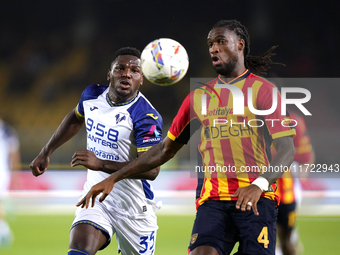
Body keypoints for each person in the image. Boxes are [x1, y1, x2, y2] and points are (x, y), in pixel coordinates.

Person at [76, 20, 296, 255]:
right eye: (211, 43)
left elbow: (286, 149)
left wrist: (258, 185)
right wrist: (115, 176)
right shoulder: (199, 97)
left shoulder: (264, 91)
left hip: (257, 201)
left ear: (240, 45)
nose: (213, 48)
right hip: (213, 202)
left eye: (221, 42)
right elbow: (162, 151)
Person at [30, 47, 163, 255]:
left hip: (134, 208)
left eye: (135, 70)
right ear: (110, 74)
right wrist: (46, 151)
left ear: (141, 79)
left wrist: (100, 164)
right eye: (120, 68)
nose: (127, 73)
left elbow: (152, 170)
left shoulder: (146, 116)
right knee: (79, 250)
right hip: (95, 198)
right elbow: (76, 117)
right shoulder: (92, 95)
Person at [275, 111, 314, 255]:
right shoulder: (249, 119)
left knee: (287, 239)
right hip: (261, 192)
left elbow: (307, 155)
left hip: (286, 191)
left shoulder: (292, 120)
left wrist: (299, 181)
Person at [0, 118, 21, 248]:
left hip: (2, 173)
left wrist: (15, 174)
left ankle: (5, 231)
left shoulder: (7, 132)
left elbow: (14, 154)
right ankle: (4, 230)